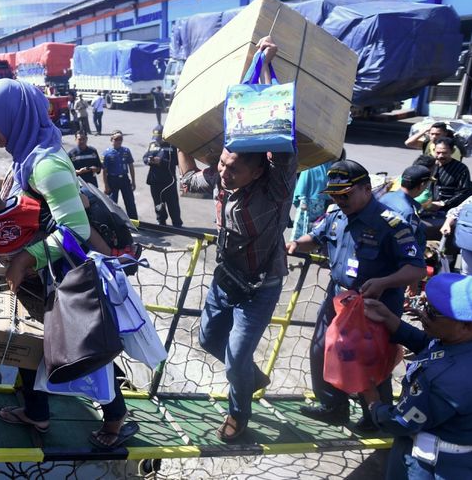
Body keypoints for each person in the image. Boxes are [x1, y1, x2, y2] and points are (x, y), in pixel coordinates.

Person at [0, 78, 137, 449]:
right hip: (41, 279)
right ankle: (37, 412)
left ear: (15, 118)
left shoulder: (45, 165)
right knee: (33, 344)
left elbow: (75, 229)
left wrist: (27, 258)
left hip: (63, 281)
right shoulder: (25, 157)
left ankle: (115, 422)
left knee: (86, 349)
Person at [190, 35, 293, 441]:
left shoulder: (276, 188)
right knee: (206, 338)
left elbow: (281, 129)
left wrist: (267, 66)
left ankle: (239, 413)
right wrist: (181, 142)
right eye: (221, 163)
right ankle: (250, 376)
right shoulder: (222, 180)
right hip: (226, 278)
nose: (224, 172)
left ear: (256, 170)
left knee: (235, 356)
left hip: (261, 286)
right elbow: (187, 181)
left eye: (233, 168)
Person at [287, 160, 426, 430]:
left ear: (366, 189)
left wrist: (385, 282)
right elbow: (316, 238)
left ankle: (377, 417)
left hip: (375, 304)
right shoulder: (335, 216)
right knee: (321, 348)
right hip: (338, 299)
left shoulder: (392, 224)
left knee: (369, 359)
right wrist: (293, 245)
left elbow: (416, 268)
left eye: (346, 195)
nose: (340, 200)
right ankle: (333, 405)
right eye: (335, 196)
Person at [361, 273, 472, 479]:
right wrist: (389, 319)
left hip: (430, 465)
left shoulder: (445, 380)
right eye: (425, 304)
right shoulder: (461, 344)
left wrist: (373, 402)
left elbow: (401, 422)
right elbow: (433, 348)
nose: (422, 313)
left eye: (432, 312)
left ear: (466, 326)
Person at [379, 165, 433, 250]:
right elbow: (408, 244)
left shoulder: (385, 197)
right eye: (427, 184)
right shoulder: (408, 212)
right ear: (421, 185)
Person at [142, 125, 182, 227]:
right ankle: (161, 220)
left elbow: (177, 161)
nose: (158, 140)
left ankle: (177, 222)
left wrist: (161, 162)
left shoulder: (172, 146)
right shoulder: (152, 144)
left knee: (172, 203)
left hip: (168, 180)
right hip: (154, 180)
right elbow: (145, 157)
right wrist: (149, 160)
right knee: (158, 203)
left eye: (159, 138)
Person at [290, 159, 332, 240]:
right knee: (306, 225)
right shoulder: (311, 165)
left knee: (316, 226)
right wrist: (303, 198)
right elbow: (304, 180)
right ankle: (299, 245)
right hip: (310, 200)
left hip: (319, 201)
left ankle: (306, 245)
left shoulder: (325, 164)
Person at [102, 130, 138, 220]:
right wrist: (106, 185)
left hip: (124, 179)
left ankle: (135, 224)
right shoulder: (106, 153)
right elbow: (104, 171)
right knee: (112, 203)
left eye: (120, 139)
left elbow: (131, 166)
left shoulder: (126, 151)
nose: (119, 141)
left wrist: (133, 181)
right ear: (111, 139)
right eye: (116, 139)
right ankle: (114, 224)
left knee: (130, 202)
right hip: (112, 180)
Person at [440, 193, 472, 275]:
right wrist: (447, 224)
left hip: (468, 242)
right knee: (467, 275)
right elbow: (456, 211)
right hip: (469, 244)